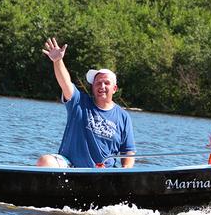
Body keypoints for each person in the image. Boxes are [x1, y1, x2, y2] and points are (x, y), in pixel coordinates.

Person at [36, 38, 136, 168]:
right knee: (45, 161)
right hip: (71, 167)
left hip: (105, 174)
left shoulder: (123, 117)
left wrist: (124, 172)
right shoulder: (79, 102)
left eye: (106, 83)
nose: (102, 86)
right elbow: (65, 83)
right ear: (93, 87)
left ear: (114, 89)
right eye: (98, 83)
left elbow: (128, 152)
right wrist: (58, 61)